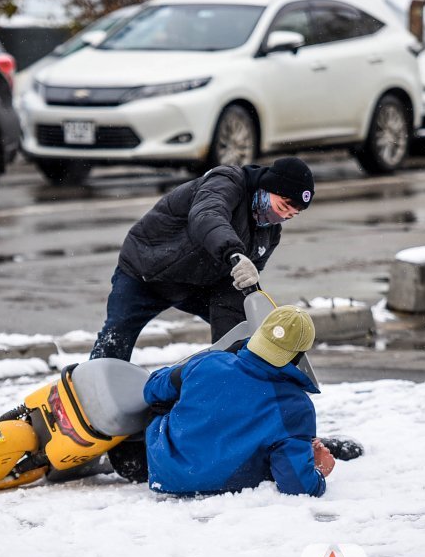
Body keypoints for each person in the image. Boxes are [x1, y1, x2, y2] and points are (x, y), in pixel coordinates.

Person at [89, 157, 315, 362]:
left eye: (291, 215)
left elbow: (244, 277)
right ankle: (91, 385)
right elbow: (207, 215)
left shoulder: (270, 233)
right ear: (266, 187)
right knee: (116, 337)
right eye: (282, 206)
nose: (281, 217)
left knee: (241, 331)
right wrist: (233, 253)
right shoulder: (226, 182)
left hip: (201, 284)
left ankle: (229, 382)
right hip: (148, 270)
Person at [140, 305, 335, 497]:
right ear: (299, 355)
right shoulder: (296, 405)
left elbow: (152, 390)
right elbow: (297, 486)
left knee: (166, 404)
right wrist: (318, 470)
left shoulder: (208, 362)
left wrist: (225, 357)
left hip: (165, 472)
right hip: (228, 487)